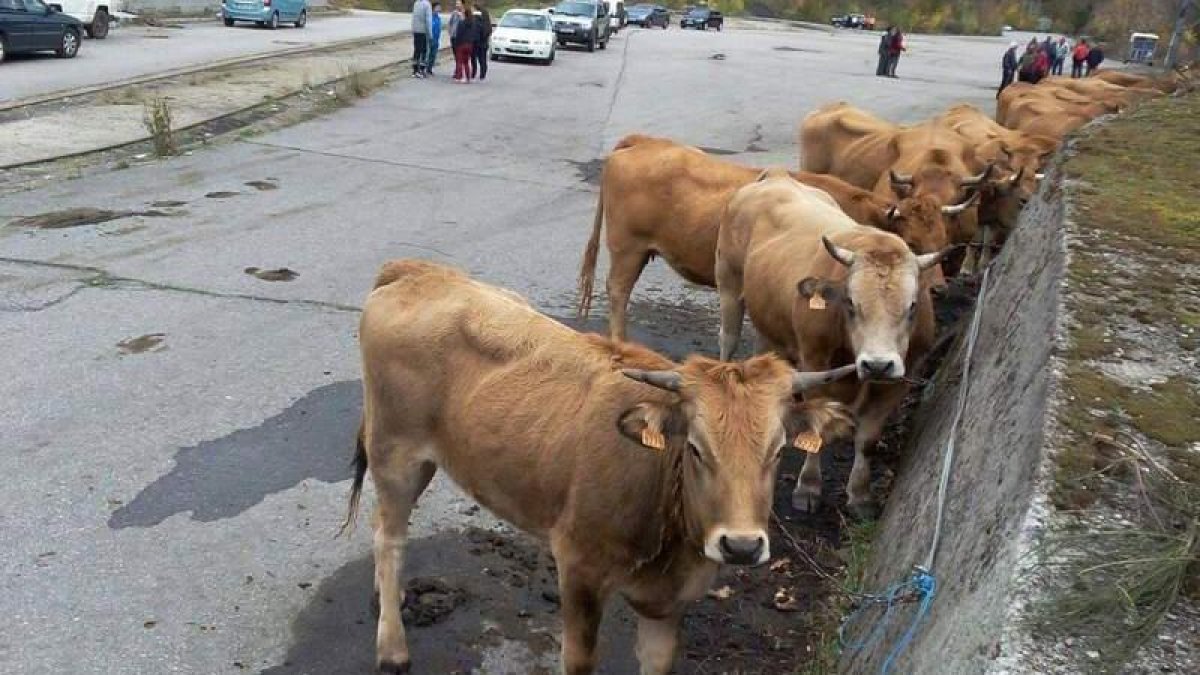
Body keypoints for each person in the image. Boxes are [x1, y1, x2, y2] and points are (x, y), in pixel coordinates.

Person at [450, 0, 476, 83]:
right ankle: (467, 77)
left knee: (459, 61)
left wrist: (457, 43)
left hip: (461, 44)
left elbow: (459, 34)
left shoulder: (462, 23)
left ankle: (458, 76)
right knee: (466, 62)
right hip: (469, 44)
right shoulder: (472, 23)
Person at [472, 1, 492, 82]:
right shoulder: (486, 22)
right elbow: (488, 31)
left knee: (473, 58)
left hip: (476, 42)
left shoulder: (476, 19)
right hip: (484, 42)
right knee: (482, 58)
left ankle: (473, 73)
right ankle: (482, 74)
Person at [411, 0, 432, 78]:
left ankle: (415, 70)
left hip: (416, 30)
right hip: (423, 31)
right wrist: (430, 34)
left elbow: (413, 17)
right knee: (424, 51)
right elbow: (428, 20)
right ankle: (422, 70)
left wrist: (413, 29)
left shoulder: (416, 3)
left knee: (416, 50)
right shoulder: (427, 4)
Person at [427, 2, 442, 76]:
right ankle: (426, 68)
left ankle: (430, 68)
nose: (439, 8)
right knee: (428, 54)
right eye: (438, 7)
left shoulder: (438, 18)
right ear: (434, 8)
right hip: (430, 38)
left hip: (436, 39)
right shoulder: (430, 17)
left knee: (433, 55)